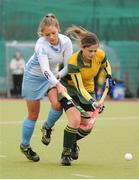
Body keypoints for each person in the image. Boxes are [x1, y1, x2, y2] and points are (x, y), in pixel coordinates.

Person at [58, 25, 115, 166]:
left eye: (95, 50)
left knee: (88, 125)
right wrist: (94, 102)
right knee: (75, 120)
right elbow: (79, 87)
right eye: (90, 51)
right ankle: (65, 153)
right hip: (69, 91)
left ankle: (72, 143)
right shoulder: (73, 62)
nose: (93, 54)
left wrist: (109, 76)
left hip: (88, 90)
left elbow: (106, 64)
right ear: (82, 48)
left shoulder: (100, 54)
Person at [20, 13, 73, 162]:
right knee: (33, 115)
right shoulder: (41, 45)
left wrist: (58, 78)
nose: (51, 37)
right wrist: (58, 84)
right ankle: (25, 146)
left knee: (57, 105)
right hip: (33, 78)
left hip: (53, 76)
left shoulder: (66, 41)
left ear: (58, 29)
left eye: (53, 33)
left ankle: (47, 127)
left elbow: (68, 67)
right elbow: (44, 69)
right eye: (47, 34)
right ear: (42, 34)